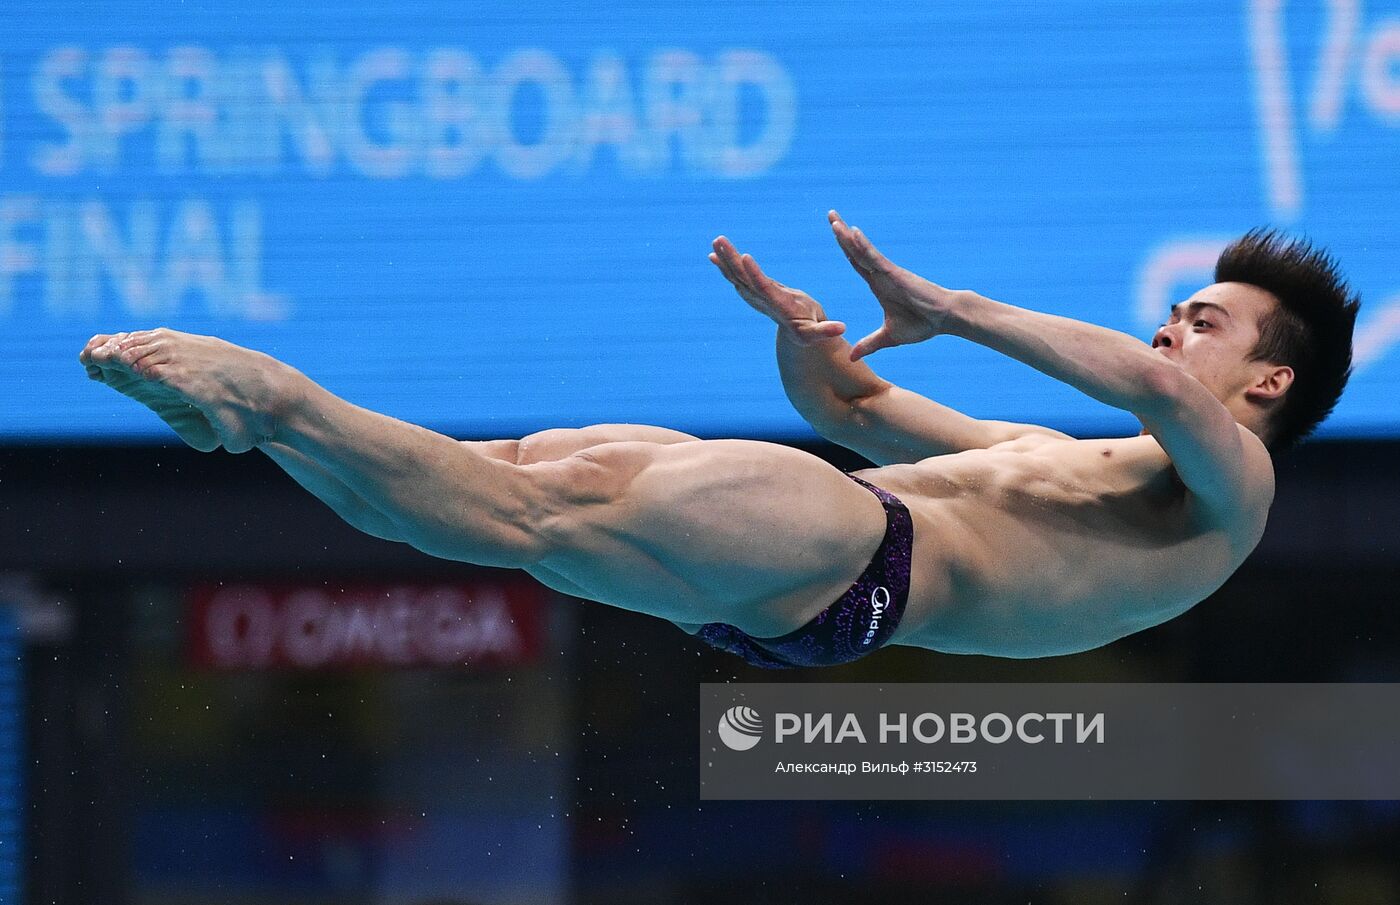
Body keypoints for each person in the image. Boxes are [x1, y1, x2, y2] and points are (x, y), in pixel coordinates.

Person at [79, 211, 1360, 667]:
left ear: (1268, 381)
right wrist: (807, 347)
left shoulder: (1230, 490)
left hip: (864, 565)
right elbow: (849, 414)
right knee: (529, 472)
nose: (1166, 330)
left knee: (528, 512)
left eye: (1201, 321)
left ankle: (275, 397)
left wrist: (944, 308)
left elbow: (1160, 393)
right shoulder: (1064, 453)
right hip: (819, 556)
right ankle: (260, 430)